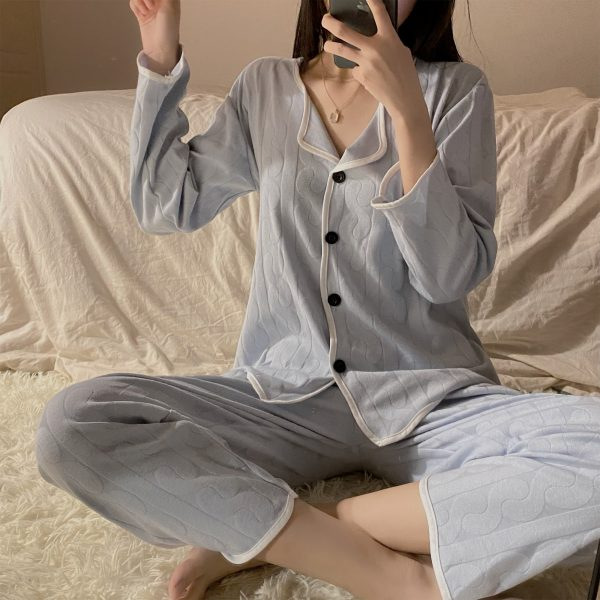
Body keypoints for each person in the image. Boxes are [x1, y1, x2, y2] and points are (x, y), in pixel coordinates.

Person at [35, 0, 600, 599]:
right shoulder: (266, 87)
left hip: (429, 398)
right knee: (74, 423)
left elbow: (447, 277)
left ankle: (292, 528)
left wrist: (409, 111)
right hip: (283, 398)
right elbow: (164, 205)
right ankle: (389, 576)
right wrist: (159, 50)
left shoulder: (455, 91)